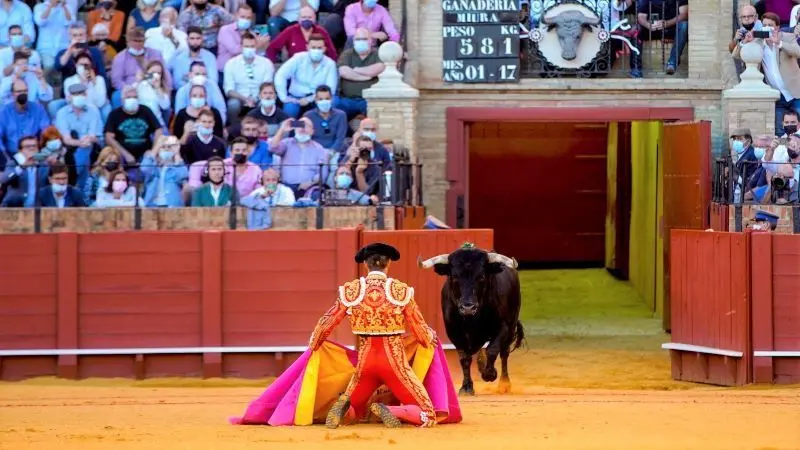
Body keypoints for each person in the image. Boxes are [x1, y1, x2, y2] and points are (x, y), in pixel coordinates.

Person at [309, 242, 438, 428]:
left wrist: (314, 343)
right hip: (394, 364)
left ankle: (346, 409)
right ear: (388, 263)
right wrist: (428, 337)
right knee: (427, 414)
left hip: (365, 364)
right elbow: (418, 327)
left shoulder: (352, 290)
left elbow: (327, 321)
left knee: (355, 411)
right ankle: (390, 410)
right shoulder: (400, 290)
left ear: (366, 264)